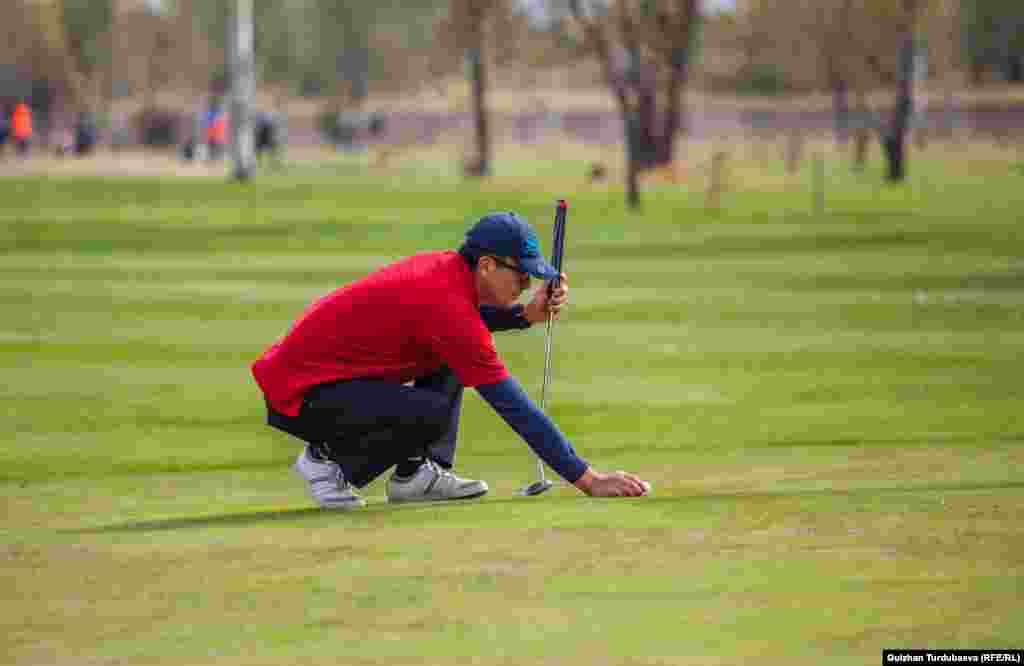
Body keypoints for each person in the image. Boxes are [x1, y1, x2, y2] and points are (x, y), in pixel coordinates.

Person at [251, 211, 650, 509]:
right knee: (430, 411)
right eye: (521, 276)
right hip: (300, 395)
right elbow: (515, 407)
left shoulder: (448, 274)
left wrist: (525, 314)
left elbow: (463, 324)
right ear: (488, 265)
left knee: (446, 365)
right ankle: (326, 462)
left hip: (317, 383)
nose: (527, 284)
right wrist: (588, 479)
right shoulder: (446, 303)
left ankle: (415, 475)